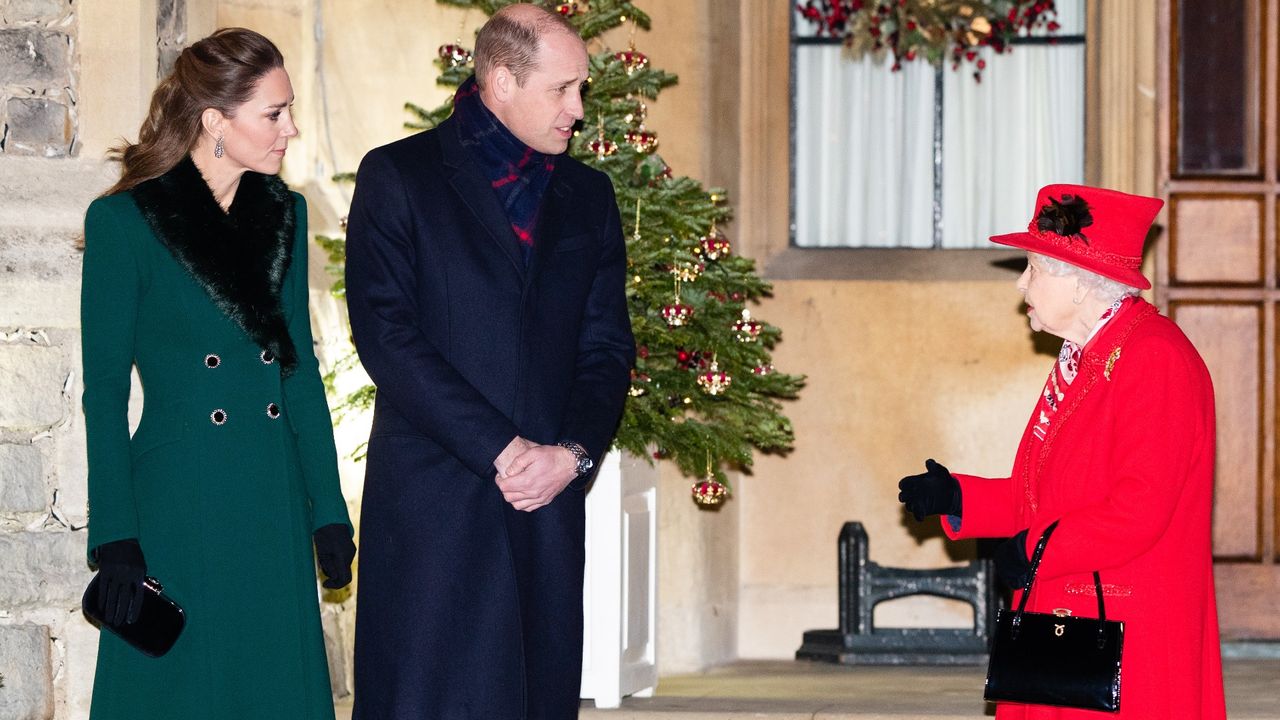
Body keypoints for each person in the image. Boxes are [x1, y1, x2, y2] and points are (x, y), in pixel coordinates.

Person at [344, 4, 634, 719]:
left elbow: (606, 347)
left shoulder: (589, 197)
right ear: (502, 81)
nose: (578, 108)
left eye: (583, 90)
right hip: (434, 505)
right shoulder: (399, 175)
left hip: (546, 505)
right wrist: (501, 449)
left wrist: (571, 455)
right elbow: (386, 335)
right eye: (563, 89)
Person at [81, 28, 355, 720]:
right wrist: (115, 536)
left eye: (289, 110)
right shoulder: (124, 223)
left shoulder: (285, 216)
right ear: (215, 122)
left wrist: (327, 509)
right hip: (180, 505)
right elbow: (105, 394)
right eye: (273, 113)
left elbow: (297, 375)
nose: (291, 129)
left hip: (270, 495)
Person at [898, 184, 1226, 719]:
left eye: (1035, 267)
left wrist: (1035, 549)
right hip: (1068, 612)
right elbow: (1046, 496)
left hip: (1125, 630)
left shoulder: (1154, 358)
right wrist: (959, 496)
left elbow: (1139, 510)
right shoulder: (1087, 355)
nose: (1022, 281)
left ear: (1080, 281)